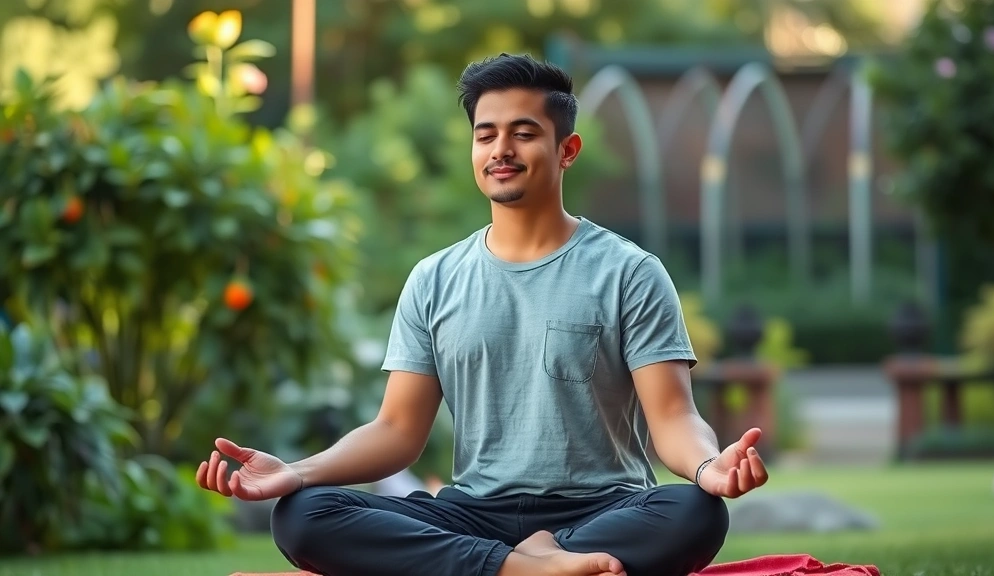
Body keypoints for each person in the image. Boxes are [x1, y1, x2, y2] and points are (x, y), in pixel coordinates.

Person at [196, 53, 769, 576]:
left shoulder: (630, 272)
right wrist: (296, 472)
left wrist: (708, 467)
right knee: (304, 514)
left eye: (524, 134)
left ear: (566, 150)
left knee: (696, 511)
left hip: (604, 509)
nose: (501, 150)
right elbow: (396, 431)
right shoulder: (434, 278)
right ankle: (523, 568)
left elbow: (672, 418)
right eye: (486, 135)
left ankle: (521, 561)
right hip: (474, 512)